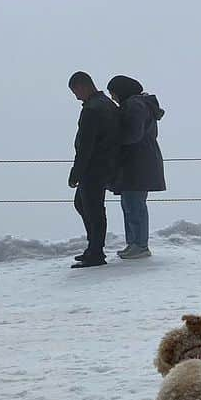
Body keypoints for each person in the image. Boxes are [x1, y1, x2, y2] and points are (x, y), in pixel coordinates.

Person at [107, 75, 166, 260]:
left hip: (138, 162)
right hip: (138, 161)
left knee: (134, 204)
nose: (113, 98)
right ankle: (134, 243)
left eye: (114, 93)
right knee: (129, 203)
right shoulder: (139, 103)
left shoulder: (135, 105)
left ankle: (140, 245)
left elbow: (133, 133)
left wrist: (113, 140)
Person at [67, 71, 120, 268]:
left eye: (75, 91)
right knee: (83, 204)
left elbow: (86, 146)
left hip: (94, 166)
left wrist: (76, 173)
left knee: (92, 208)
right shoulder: (107, 104)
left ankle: (96, 252)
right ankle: (93, 247)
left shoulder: (92, 109)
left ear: (83, 86)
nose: (76, 96)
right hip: (106, 163)